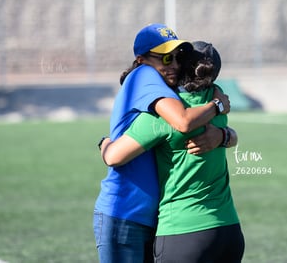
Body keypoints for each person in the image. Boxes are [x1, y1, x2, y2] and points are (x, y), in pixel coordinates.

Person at [93, 24, 231, 263]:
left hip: (148, 214)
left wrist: (224, 135)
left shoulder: (162, 86)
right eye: (166, 58)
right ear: (141, 59)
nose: (174, 65)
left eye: (177, 57)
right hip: (125, 211)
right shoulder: (144, 75)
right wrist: (217, 106)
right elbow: (183, 122)